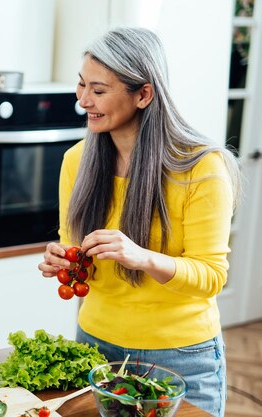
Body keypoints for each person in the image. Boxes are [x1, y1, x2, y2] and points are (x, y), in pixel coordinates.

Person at [38, 27, 241, 417]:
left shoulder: (201, 168)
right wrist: (64, 259)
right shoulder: (76, 162)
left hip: (180, 356)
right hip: (95, 345)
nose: (83, 101)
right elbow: (77, 251)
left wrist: (143, 257)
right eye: (81, 86)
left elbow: (212, 276)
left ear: (143, 94)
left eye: (98, 91)